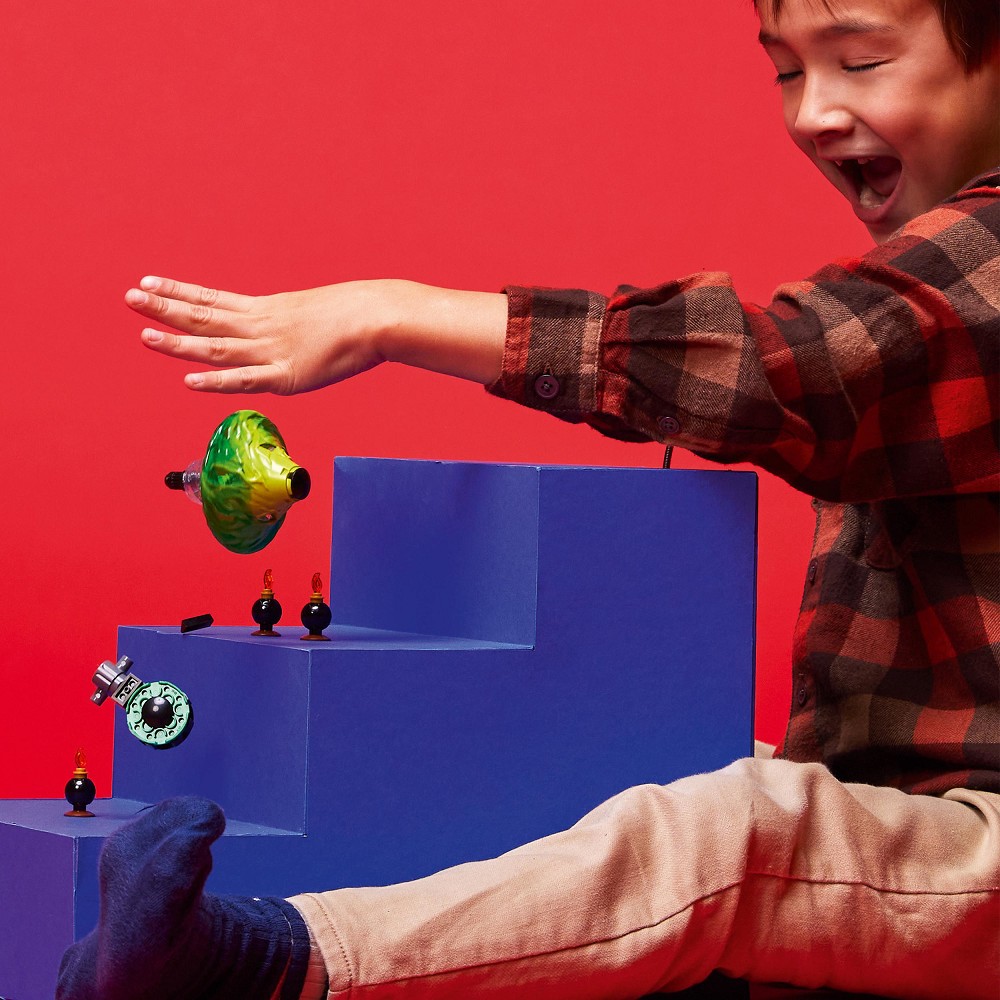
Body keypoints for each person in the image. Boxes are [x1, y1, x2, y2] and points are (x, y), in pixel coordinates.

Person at [58, 0, 999, 997]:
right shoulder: (933, 272)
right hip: (903, 802)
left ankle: (255, 965)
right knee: (624, 762)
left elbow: (789, 371)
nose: (813, 113)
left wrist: (393, 313)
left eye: (861, 61)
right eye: (787, 71)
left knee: (727, 838)